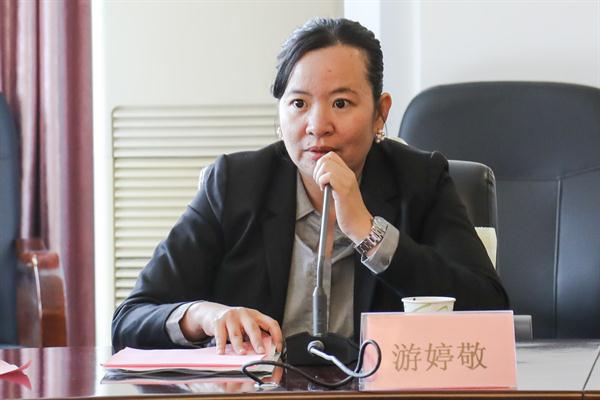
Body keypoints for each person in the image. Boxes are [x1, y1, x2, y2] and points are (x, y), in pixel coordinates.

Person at [112, 17, 509, 355]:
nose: (318, 126)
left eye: (341, 103)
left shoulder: (420, 181)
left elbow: (489, 312)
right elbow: (130, 319)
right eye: (299, 104)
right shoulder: (235, 184)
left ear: (380, 113)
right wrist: (202, 315)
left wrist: (368, 233)